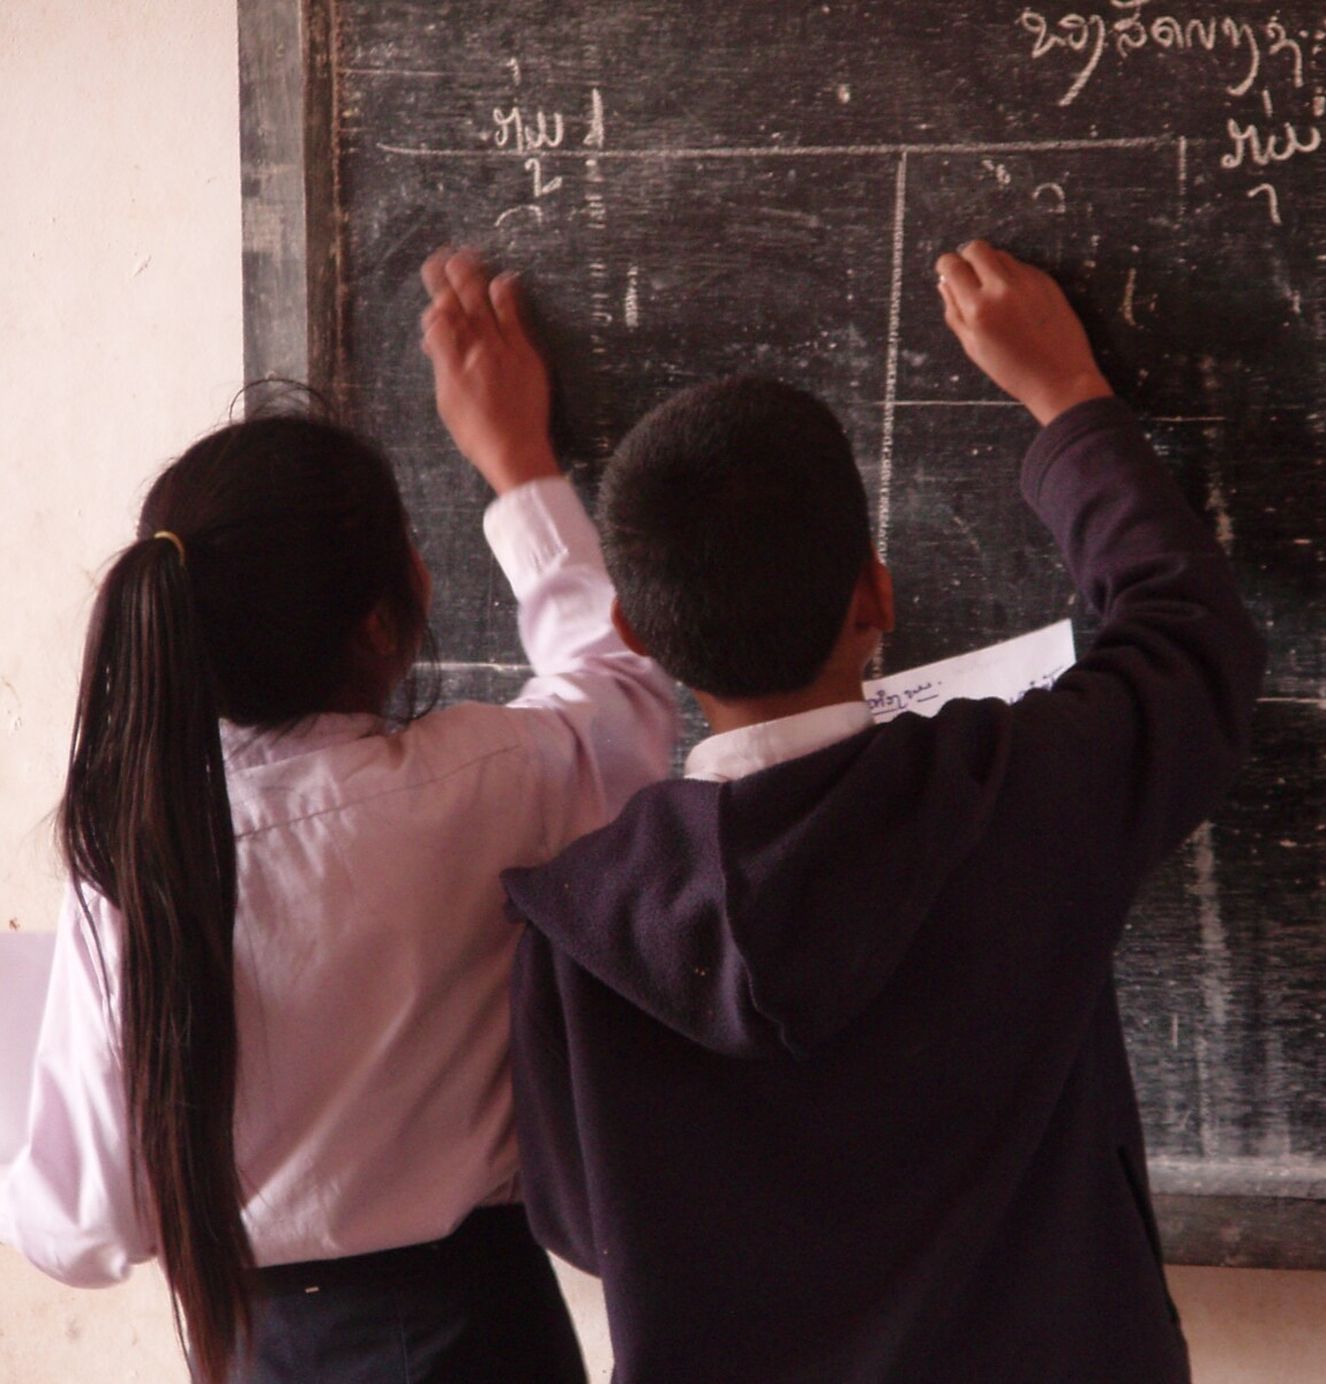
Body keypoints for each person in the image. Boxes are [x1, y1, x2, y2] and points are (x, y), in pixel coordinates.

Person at [499, 242, 1266, 1383]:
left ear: (639, 634)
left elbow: (575, 1219)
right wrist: (1067, 400)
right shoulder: (1018, 791)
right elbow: (1190, 641)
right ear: (876, 595)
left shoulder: (574, 928)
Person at [0, 248, 676, 1383]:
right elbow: (620, 699)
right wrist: (517, 465)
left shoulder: (133, 868)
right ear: (382, 621)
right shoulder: (478, 784)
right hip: (485, 1329)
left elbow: (75, 1229)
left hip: (264, 1346)